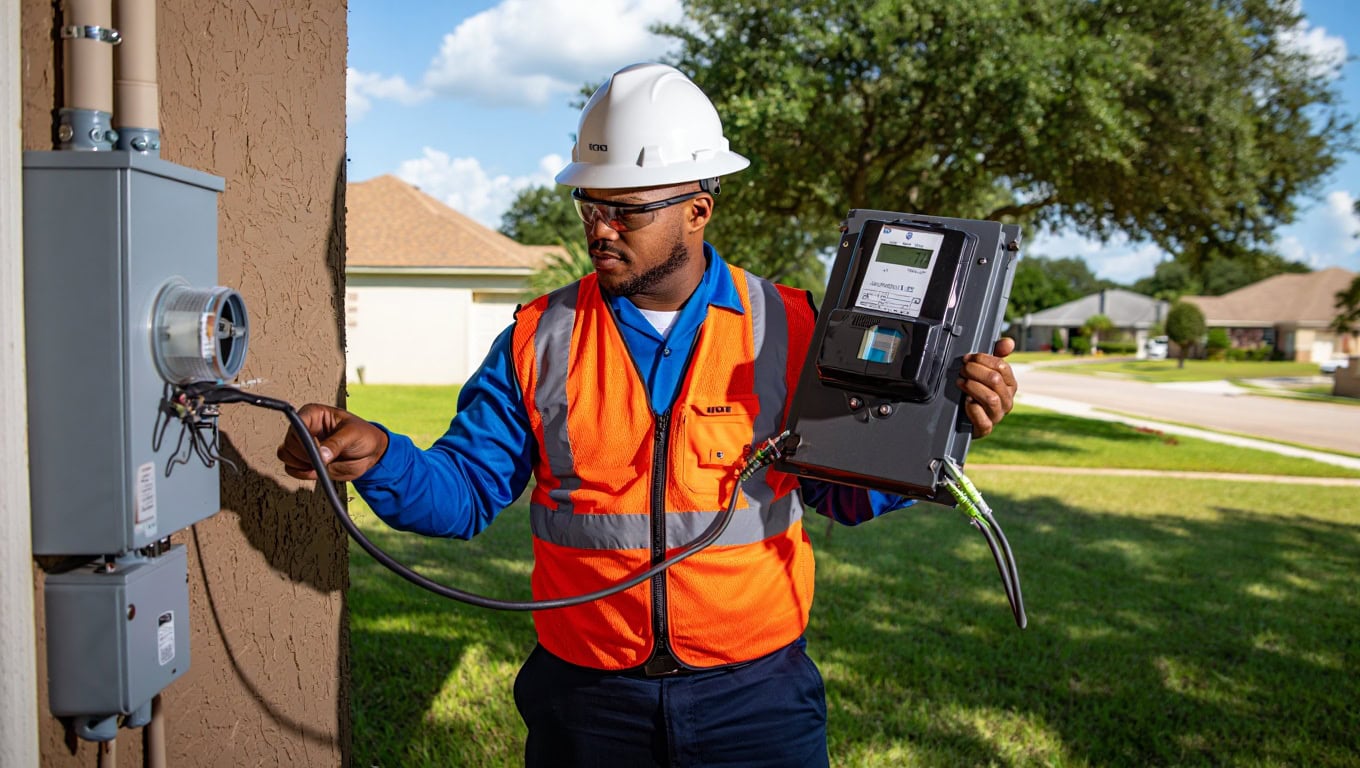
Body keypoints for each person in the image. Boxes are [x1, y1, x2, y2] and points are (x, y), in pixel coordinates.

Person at [278, 62, 1018, 767]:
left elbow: (844, 493)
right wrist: (380, 455)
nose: (599, 229)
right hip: (585, 700)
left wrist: (948, 427)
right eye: (590, 206)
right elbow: (465, 493)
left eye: (626, 211)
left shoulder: (791, 329)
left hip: (756, 699)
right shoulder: (539, 338)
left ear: (698, 209)